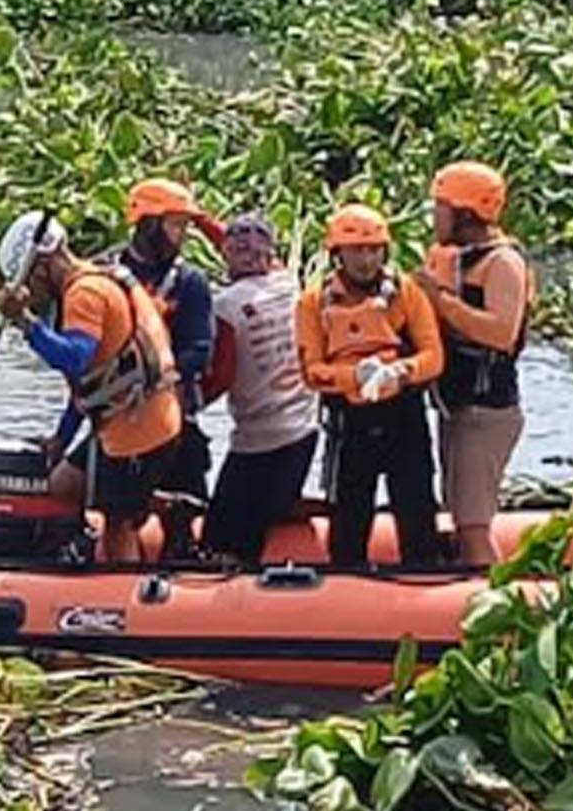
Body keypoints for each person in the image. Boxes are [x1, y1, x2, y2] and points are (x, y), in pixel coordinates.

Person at [0, 211, 182, 564]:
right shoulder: (96, 279)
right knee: (63, 483)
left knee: (117, 525)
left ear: (43, 265)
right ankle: (162, 505)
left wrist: (25, 322)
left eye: (30, 282)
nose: (31, 293)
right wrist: (60, 441)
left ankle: (123, 596)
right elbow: (88, 389)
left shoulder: (85, 294)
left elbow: (75, 358)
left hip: (139, 430)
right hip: (129, 414)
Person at [294, 204, 445, 568]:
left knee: (416, 507)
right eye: (357, 251)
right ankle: (346, 586)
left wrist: (399, 372)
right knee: (348, 513)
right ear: (338, 255)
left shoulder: (405, 294)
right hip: (350, 424)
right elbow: (312, 370)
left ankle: (422, 576)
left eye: (374, 250)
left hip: (403, 417)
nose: (366, 260)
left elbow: (433, 355)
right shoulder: (313, 303)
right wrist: (353, 377)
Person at [417, 161, 536, 567]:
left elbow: (502, 333)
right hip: (458, 405)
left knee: (472, 524)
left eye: (441, 207)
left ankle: (488, 595)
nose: (435, 217)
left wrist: (441, 301)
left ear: (465, 212)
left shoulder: (502, 262)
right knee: (460, 510)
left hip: (487, 409)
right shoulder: (460, 257)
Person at [197, 213, 319, 565]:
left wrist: (178, 404)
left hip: (260, 443)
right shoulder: (287, 282)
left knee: (221, 541)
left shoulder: (226, 307)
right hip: (303, 432)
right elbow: (246, 247)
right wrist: (199, 219)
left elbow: (219, 378)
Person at [112, 178, 222, 558]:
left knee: (185, 513)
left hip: (172, 417)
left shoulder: (189, 283)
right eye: (175, 225)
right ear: (148, 224)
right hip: (116, 419)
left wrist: (148, 376)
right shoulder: (107, 278)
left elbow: (200, 352)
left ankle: (179, 540)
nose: (182, 235)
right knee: (116, 513)